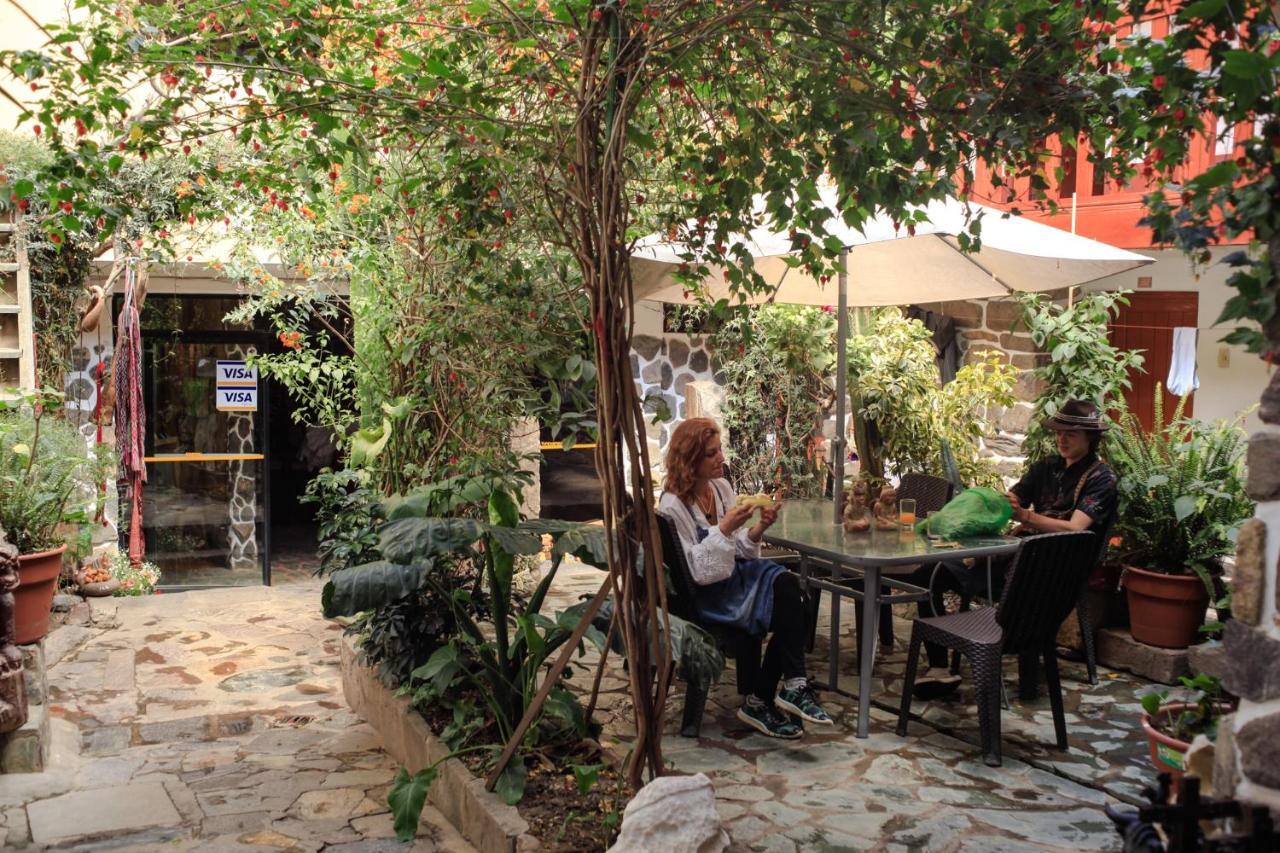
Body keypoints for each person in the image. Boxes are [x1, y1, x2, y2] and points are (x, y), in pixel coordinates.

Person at [908, 399, 1118, 697]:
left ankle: (1013, 663)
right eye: (1058, 432)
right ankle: (940, 668)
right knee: (929, 575)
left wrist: (1027, 518)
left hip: (1056, 571)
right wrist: (996, 506)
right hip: (1019, 558)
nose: (1062, 438)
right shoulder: (1047, 466)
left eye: (1070, 433)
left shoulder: (1102, 478)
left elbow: (1075, 529)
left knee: (993, 584)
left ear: (1090, 437)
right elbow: (1015, 497)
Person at [658, 417, 834, 739]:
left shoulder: (720, 488)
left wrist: (757, 529)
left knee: (795, 595)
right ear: (689, 459)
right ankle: (771, 695)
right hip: (706, 597)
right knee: (792, 595)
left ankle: (777, 691)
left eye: (719, 450)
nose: (721, 458)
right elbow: (694, 570)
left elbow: (737, 548)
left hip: (733, 580)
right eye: (711, 454)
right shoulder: (673, 506)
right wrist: (724, 528)